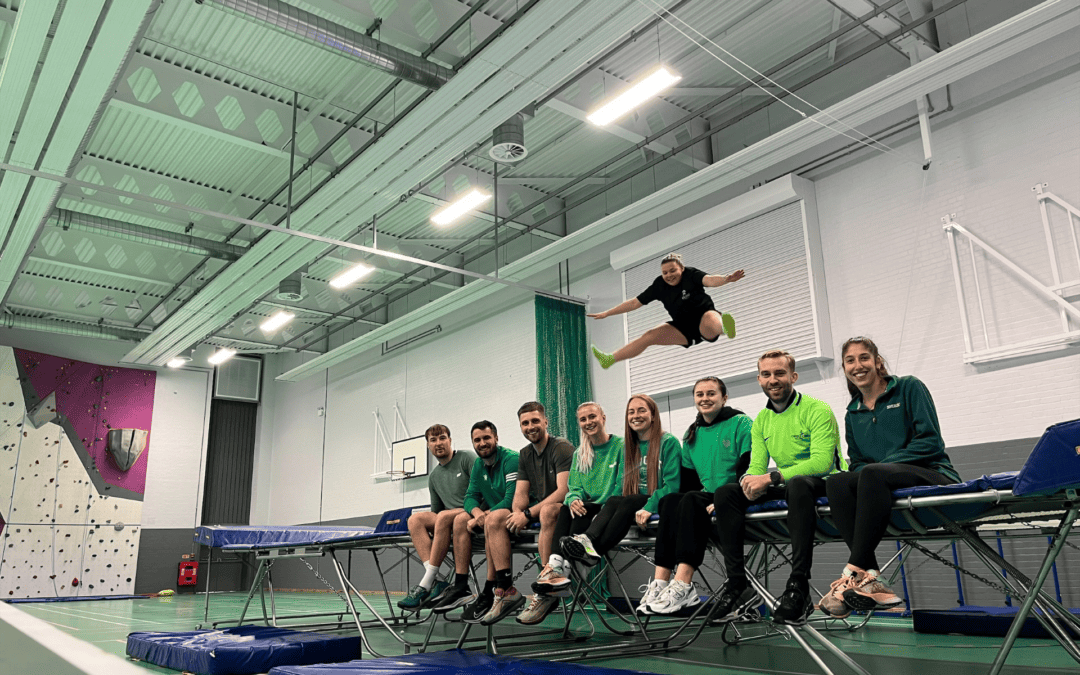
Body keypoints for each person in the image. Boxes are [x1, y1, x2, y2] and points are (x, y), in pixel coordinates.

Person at [818, 337, 960, 618]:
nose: (857, 365)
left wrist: (880, 468)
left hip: (932, 473)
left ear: (877, 362)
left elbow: (930, 442)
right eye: (850, 360)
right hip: (881, 479)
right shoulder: (852, 412)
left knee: (870, 472)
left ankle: (851, 570)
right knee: (836, 481)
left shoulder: (908, 387)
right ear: (845, 369)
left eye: (864, 358)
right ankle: (871, 577)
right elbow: (857, 461)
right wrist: (870, 473)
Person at [713, 350, 845, 625]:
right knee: (726, 493)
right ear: (759, 379)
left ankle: (799, 586)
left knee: (796, 484)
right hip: (788, 484)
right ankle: (737, 583)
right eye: (766, 374)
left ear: (793, 377)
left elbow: (822, 462)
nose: (773, 380)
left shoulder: (817, 409)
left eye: (780, 373)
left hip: (824, 483)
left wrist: (771, 479)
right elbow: (755, 468)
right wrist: (747, 483)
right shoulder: (762, 420)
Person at [622, 377, 753, 616]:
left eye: (711, 394)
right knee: (670, 500)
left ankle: (684, 584)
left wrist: (723, 500)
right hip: (706, 497)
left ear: (724, 398)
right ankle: (660, 582)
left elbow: (750, 468)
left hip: (734, 494)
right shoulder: (692, 433)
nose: (705, 398)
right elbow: (689, 484)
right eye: (699, 394)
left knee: (691, 500)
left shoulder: (741, 423)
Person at [561, 394, 682, 598]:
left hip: (659, 501)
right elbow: (621, 486)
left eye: (641, 410)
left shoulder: (668, 442)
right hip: (632, 501)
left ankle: (590, 553)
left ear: (653, 415)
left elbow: (673, 486)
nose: (636, 416)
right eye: (631, 412)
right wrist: (606, 509)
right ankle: (586, 546)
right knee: (617, 499)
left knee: (629, 500)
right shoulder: (629, 446)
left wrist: (649, 506)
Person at [480, 401, 573, 626]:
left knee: (549, 510)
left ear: (545, 422)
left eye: (535, 421)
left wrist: (528, 514)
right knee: (494, 518)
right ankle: (505, 589)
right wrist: (516, 513)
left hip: (566, 511)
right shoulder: (524, 454)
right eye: (525, 423)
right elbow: (520, 492)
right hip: (536, 513)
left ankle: (546, 588)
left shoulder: (561, 447)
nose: (530, 426)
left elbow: (563, 491)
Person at [588, 252, 744, 369]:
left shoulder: (690, 274)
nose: (669, 275)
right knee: (649, 336)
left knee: (710, 318)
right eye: (665, 273)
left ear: (681, 269)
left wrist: (726, 279)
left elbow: (708, 280)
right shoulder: (659, 285)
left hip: (704, 319)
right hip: (683, 328)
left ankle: (725, 328)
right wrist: (607, 313)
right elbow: (635, 303)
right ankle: (609, 359)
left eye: (672, 270)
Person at [532, 402, 623, 597]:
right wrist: (573, 498)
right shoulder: (580, 453)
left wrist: (602, 507)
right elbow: (574, 488)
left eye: (592, 417)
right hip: (588, 507)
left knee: (580, 509)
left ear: (603, 418)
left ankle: (566, 573)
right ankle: (556, 565)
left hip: (610, 507)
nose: (588, 422)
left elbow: (622, 486)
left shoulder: (621, 446)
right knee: (567, 508)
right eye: (583, 419)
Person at [433, 421, 518, 621]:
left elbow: (510, 499)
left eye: (486, 438)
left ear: (496, 438)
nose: (482, 443)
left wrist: (484, 516)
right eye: (477, 440)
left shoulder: (512, 459)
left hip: (514, 516)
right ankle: (461, 585)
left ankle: (492, 589)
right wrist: (479, 513)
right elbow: (470, 497)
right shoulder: (479, 464)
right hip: (492, 517)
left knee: (491, 520)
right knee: (462, 519)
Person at [399, 424, 476, 610]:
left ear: (450, 440)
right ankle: (433, 579)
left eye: (442, 438)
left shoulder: (466, 458)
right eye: (433, 440)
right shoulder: (433, 477)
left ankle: (426, 583)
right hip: (447, 520)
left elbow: (481, 491)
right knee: (415, 519)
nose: (438, 443)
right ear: (428, 446)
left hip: (471, 513)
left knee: (443, 516)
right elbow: (436, 512)